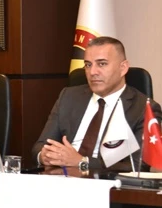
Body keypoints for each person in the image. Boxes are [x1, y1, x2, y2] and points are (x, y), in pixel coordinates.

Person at [32, 37, 162, 171]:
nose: (92, 72)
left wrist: (82, 162)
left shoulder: (143, 109)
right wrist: (44, 156)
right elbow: (40, 146)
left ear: (123, 68)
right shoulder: (68, 97)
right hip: (61, 176)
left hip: (108, 182)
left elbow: (138, 166)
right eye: (88, 65)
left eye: (102, 64)